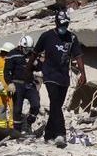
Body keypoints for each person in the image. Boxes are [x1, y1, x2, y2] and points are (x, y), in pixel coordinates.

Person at [30, 10, 86, 148]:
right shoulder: (47, 36)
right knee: (55, 102)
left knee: (56, 106)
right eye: (62, 24)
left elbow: (78, 56)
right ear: (56, 23)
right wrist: (27, 69)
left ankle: (48, 134)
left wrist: (83, 73)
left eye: (66, 25)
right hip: (49, 75)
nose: (64, 27)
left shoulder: (72, 38)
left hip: (63, 77)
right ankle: (61, 134)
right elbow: (35, 53)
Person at [4, 35, 40, 134]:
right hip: (17, 84)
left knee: (36, 104)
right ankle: (17, 131)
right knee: (17, 109)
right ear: (21, 45)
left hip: (29, 84)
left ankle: (28, 123)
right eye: (26, 49)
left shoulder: (32, 54)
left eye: (29, 49)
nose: (27, 51)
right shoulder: (12, 54)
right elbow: (7, 71)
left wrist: (37, 63)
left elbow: (40, 67)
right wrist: (9, 83)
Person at [0, 42, 15, 128]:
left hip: (10, 90)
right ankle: (2, 128)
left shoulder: (12, 61)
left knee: (13, 109)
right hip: (0, 91)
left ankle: (12, 127)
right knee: (1, 110)